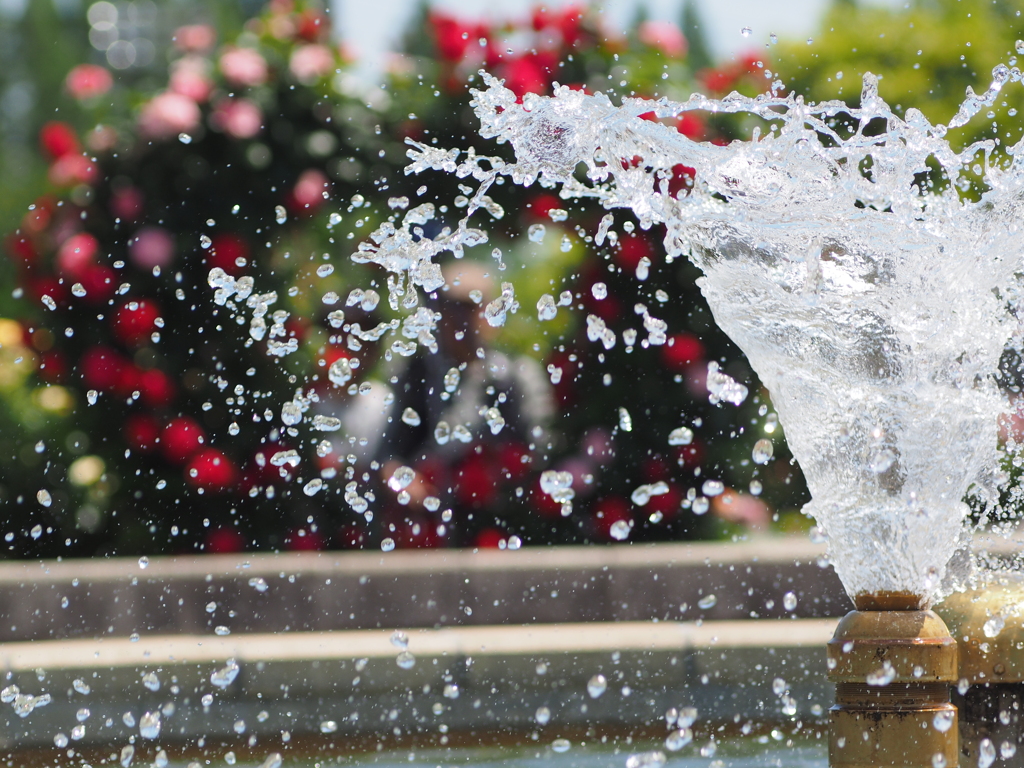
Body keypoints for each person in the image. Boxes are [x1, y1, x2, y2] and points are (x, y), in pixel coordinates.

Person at [377, 260, 554, 547]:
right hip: (430, 527)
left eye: (472, 305)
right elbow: (389, 455)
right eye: (451, 306)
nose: (461, 317)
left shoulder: (515, 378)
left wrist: (493, 475)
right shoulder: (418, 377)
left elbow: (543, 452)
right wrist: (405, 483)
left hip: (503, 530)